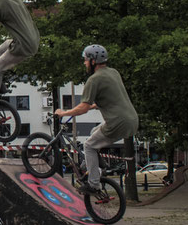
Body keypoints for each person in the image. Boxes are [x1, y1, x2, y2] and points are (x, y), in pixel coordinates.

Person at [54, 45, 139, 194]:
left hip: (117, 122)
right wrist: (95, 105)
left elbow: (82, 108)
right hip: (131, 119)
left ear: (93, 61)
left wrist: (63, 113)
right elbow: (112, 97)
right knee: (94, 132)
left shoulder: (94, 80)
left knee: (89, 146)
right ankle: (99, 165)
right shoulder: (114, 73)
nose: (84, 63)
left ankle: (93, 184)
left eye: (86, 60)